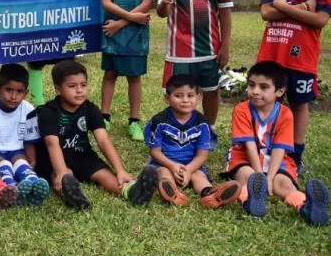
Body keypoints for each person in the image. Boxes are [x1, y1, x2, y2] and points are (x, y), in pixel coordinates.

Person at [27, 60, 159, 210]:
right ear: (58, 89)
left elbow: (103, 140)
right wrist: (61, 172)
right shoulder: (47, 112)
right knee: (65, 177)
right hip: (55, 159)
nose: (79, 90)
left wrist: (120, 170)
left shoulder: (90, 109)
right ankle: (73, 196)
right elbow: (52, 144)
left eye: (83, 85)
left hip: (82, 154)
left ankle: (133, 192)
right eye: (72, 86)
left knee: (104, 175)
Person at [257, 0, 330, 173]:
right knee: (264, 102)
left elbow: (320, 19)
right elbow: (266, 13)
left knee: (299, 104)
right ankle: (261, 148)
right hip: (272, 54)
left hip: (302, 59)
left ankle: (295, 155)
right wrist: (303, 7)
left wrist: (285, 6)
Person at [222, 61, 328, 225]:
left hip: (278, 161)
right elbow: (249, 145)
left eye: (263, 87)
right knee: (247, 178)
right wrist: (260, 177)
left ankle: (306, 207)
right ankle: (250, 201)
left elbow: (280, 148)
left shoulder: (285, 114)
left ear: (280, 91)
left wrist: (270, 180)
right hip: (245, 158)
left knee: (283, 185)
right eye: (251, 85)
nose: (255, 91)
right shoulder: (242, 109)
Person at [156, 0, 233, 136]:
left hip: (209, 50)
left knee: (211, 91)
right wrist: (165, 2)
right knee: (177, 94)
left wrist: (225, 45)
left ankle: (210, 129)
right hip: (179, 53)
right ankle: (178, 130)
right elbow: (162, 13)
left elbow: (224, 14)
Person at [145, 74, 240, 208]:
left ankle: (210, 193)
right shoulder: (159, 121)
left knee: (199, 176)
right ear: (167, 99)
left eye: (190, 95)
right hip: (164, 163)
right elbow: (155, 152)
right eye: (178, 96)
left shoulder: (202, 123)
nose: (185, 100)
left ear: (198, 97)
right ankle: (173, 193)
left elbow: (202, 155)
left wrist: (189, 170)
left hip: (192, 165)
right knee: (163, 173)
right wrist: (172, 166)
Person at [99, 0, 157, 141]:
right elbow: (106, 2)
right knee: (110, 73)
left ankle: (134, 121)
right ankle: (104, 116)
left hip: (135, 35)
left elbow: (147, 2)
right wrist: (129, 19)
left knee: (134, 77)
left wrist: (122, 23)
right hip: (112, 32)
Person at [0, 63, 51, 207]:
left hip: (17, 150)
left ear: (26, 93)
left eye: (19, 91)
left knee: (22, 162)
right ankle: (12, 188)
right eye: (9, 90)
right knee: (2, 163)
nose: (13, 96)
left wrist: (33, 160)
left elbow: (29, 141)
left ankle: (32, 183)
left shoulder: (29, 110)